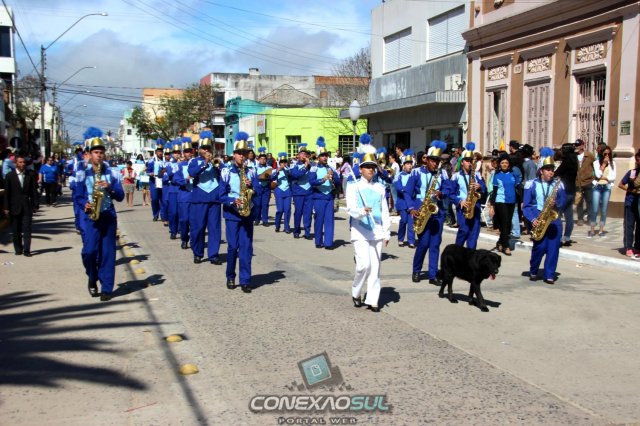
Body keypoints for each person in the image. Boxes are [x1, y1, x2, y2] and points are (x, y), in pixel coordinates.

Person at [346, 138, 390, 313]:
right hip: (360, 231)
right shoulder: (353, 186)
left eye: (373, 167)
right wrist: (361, 211)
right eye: (367, 167)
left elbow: (384, 211)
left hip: (377, 231)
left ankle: (373, 299)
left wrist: (386, 232)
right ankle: (356, 291)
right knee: (363, 265)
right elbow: (350, 208)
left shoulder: (380, 187)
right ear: (360, 169)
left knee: (375, 268)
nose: (371, 169)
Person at [81, 135, 125, 301]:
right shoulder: (83, 173)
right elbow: (77, 195)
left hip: (107, 215)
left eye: (101, 152)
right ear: (90, 154)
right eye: (96, 152)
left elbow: (120, 196)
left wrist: (110, 187)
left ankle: (106, 288)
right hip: (91, 217)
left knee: (107, 254)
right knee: (89, 252)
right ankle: (92, 278)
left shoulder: (112, 173)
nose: (99, 155)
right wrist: (84, 204)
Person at [220, 132, 259, 292]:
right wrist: (232, 200)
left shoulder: (251, 171)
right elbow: (221, 195)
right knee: (232, 247)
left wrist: (251, 187)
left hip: (247, 213)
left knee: (246, 248)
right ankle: (230, 276)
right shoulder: (226, 171)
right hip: (232, 214)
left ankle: (245, 280)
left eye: (244, 153)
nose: (242, 156)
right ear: (234, 154)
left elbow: (257, 190)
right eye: (239, 153)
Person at [523, 147, 568, 284]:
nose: (551, 172)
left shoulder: (558, 185)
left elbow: (563, 201)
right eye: (548, 169)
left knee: (553, 249)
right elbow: (527, 205)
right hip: (538, 217)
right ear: (541, 171)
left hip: (553, 219)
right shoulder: (531, 184)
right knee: (540, 247)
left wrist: (557, 203)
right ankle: (534, 270)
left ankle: (549, 274)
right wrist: (532, 219)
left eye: (552, 169)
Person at [411, 140, 451, 283]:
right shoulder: (416, 172)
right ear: (427, 160)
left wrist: (442, 193)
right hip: (421, 210)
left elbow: (448, 188)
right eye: (433, 160)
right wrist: (411, 208)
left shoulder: (442, 173)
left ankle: (432, 275)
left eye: (437, 161)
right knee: (423, 243)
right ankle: (416, 270)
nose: (435, 163)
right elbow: (408, 191)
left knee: (435, 244)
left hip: (436, 212)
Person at [188, 132, 222, 264]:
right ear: (199, 149)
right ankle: (198, 253)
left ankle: (213, 255)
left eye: (209, 148)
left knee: (214, 229)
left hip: (214, 199)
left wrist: (218, 165)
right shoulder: (194, 161)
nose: (207, 151)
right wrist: (205, 163)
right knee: (198, 228)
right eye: (204, 148)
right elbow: (192, 173)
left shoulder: (217, 161)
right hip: (199, 199)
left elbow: (224, 175)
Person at [450, 142, 486, 249]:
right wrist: (459, 201)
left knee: (474, 234)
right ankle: (457, 250)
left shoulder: (477, 175)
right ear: (462, 162)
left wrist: (480, 186)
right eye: (467, 161)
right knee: (464, 230)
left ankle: (470, 255)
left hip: (475, 207)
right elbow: (450, 193)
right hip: (463, 207)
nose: (469, 163)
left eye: (471, 161)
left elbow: (485, 189)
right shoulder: (456, 176)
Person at [3, 154, 38, 256]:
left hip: (26, 206)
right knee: (16, 230)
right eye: (20, 162)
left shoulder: (29, 175)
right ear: (16, 163)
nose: (22, 164)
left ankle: (27, 250)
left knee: (27, 229)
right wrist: (6, 207)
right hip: (14, 206)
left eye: (24, 162)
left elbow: (33, 191)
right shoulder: (10, 176)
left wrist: (35, 204)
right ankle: (18, 249)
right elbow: (7, 193)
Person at [309, 138, 341, 249]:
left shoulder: (331, 168)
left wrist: (333, 178)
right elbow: (311, 182)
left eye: (326, 155)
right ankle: (318, 241)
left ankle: (328, 243)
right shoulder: (314, 168)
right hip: (318, 197)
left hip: (329, 197)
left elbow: (338, 182)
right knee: (319, 220)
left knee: (329, 221)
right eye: (322, 156)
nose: (325, 157)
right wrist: (323, 179)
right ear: (318, 157)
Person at [489, 153, 520, 255]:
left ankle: (500, 242)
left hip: (512, 201)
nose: (504, 164)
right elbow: (494, 192)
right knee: (505, 222)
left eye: (506, 163)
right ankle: (506, 246)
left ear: (509, 164)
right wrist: (492, 205)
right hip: (500, 201)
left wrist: (522, 201)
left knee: (508, 223)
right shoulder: (497, 175)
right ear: (500, 164)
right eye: (502, 163)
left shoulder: (513, 175)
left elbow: (518, 189)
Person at [589, 145, 616, 238]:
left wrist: (604, 178)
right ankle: (592, 230)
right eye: (605, 154)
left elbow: (613, 177)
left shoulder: (613, 163)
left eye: (609, 154)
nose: (607, 156)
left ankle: (601, 230)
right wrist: (604, 164)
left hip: (607, 187)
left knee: (604, 210)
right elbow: (597, 174)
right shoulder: (596, 163)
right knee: (595, 209)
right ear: (601, 154)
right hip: (597, 187)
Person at [172, 138, 194, 250]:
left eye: (190, 151)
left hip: (195, 197)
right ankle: (184, 239)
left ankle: (194, 240)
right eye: (186, 151)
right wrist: (186, 180)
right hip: (184, 196)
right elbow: (176, 179)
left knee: (194, 221)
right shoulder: (180, 165)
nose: (188, 153)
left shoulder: (197, 163)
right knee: (184, 220)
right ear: (183, 153)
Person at [617, 149, 640, 258]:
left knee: (639, 226)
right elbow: (621, 184)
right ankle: (628, 247)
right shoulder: (632, 172)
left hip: (638, 203)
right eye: (637, 159)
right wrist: (630, 190)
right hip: (630, 201)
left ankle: (637, 247)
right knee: (629, 225)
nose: (638, 161)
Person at [554, 144, 578, 246]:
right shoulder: (574, 160)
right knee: (569, 216)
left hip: (564, 191)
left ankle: (558, 237)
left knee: (557, 214)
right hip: (572, 190)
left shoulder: (566, 161)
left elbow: (557, 173)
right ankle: (567, 237)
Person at [289, 143, 313, 239]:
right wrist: (305, 166)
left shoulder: (312, 165)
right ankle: (296, 230)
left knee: (308, 213)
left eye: (305, 154)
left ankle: (307, 232)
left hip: (309, 192)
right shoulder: (293, 165)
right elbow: (295, 175)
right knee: (298, 212)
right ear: (298, 155)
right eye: (302, 153)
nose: (304, 155)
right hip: (298, 192)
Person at [394, 149, 416, 248]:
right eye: (407, 164)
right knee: (403, 220)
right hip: (402, 201)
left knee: (411, 222)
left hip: (412, 202)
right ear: (403, 165)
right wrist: (405, 190)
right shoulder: (399, 175)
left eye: (411, 164)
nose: (409, 166)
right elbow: (398, 187)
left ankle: (411, 241)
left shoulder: (414, 175)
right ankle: (400, 239)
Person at [574, 139, 596, 226]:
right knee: (579, 201)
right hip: (577, 182)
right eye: (576, 145)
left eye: (578, 145)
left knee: (589, 201)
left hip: (588, 181)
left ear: (583, 145)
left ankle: (590, 218)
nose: (577, 147)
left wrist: (594, 178)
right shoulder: (574, 156)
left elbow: (595, 166)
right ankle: (580, 218)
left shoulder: (589, 155)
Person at [164, 141, 182, 239]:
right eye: (175, 153)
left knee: (181, 211)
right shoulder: (169, 164)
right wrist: (178, 166)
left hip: (182, 189)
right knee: (173, 212)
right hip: (173, 190)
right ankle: (173, 230)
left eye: (178, 153)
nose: (177, 155)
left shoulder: (184, 163)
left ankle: (180, 229)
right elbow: (170, 174)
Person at [272, 152, 292, 233]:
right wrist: (277, 171)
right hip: (279, 190)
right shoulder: (275, 170)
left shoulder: (288, 170)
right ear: (279, 163)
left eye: (285, 162)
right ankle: (277, 225)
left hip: (287, 191)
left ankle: (287, 227)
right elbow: (271, 178)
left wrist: (288, 171)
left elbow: (293, 177)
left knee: (287, 210)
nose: (283, 164)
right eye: (282, 162)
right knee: (280, 210)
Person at [254, 147, 273, 226]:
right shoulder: (255, 168)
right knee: (258, 204)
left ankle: (265, 220)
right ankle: (257, 219)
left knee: (265, 205)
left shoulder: (269, 168)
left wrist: (272, 176)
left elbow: (272, 177)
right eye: (261, 159)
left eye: (264, 159)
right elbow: (255, 177)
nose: (263, 160)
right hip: (258, 187)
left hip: (266, 187)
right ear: (259, 159)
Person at [148, 142, 164, 220]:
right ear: (156, 152)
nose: (160, 153)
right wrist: (150, 173)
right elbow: (148, 171)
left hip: (163, 182)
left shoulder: (165, 160)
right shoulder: (151, 161)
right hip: (154, 182)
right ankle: (155, 214)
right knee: (154, 199)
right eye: (159, 151)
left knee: (163, 199)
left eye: (161, 151)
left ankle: (163, 215)